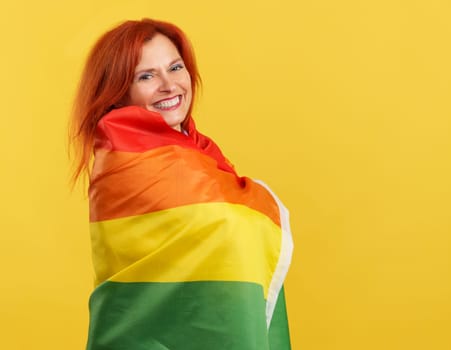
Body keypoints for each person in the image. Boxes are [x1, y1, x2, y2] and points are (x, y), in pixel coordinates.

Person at [70, 18, 293, 349]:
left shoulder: (196, 153)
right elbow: (228, 228)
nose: (169, 85)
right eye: (146, 76)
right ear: (119, 93)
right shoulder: (127, 163)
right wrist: (259, 197)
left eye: (175, 68)